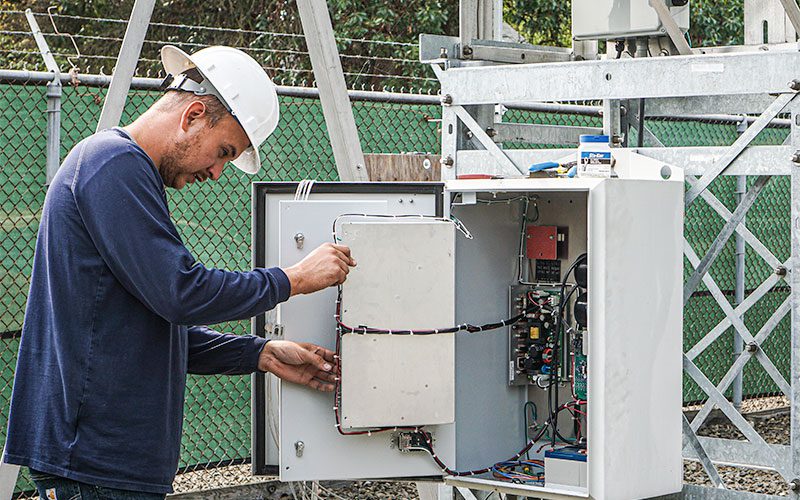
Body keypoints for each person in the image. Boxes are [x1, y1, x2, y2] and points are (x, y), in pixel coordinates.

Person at [3, 45, 355, 499]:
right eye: (224, 151)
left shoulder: (120, 170)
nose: (217, 171)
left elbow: (152, 332)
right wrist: (294, 279)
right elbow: (182, 293)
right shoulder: (114, 165)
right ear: (192, 115)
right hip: (94, 464)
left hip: (103, 466)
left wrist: (260, 353)